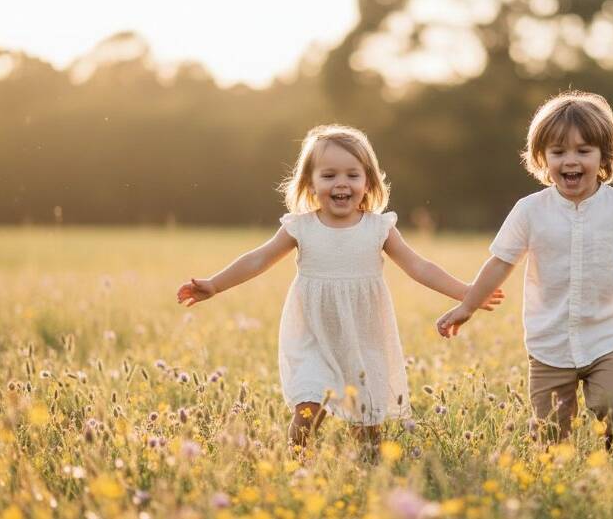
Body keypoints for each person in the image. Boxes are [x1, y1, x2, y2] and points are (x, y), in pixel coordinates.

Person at [177, 124, 502, 449]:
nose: (341, 183)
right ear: (310, 183)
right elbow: (257, 259)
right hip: (313, 337)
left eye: (352, 175)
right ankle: (298, 465)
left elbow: (419, 266)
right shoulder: (301, 228)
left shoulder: (379, 228)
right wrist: (215, 284)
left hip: (363, 338)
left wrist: (468, 293)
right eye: (329, 175)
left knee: (366, 428)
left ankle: (367, 470)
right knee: (308, 408)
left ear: (368, 181)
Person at [435, 91, 613, 462]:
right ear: (542, 159)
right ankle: (557, 471)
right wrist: (467, 305)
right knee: (550, 427)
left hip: (606, 334)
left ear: (604, 158)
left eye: (584, 151)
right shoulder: (529, 211)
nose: (571, 160)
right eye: (558, 151)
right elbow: (500, 262)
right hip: (549, 339)